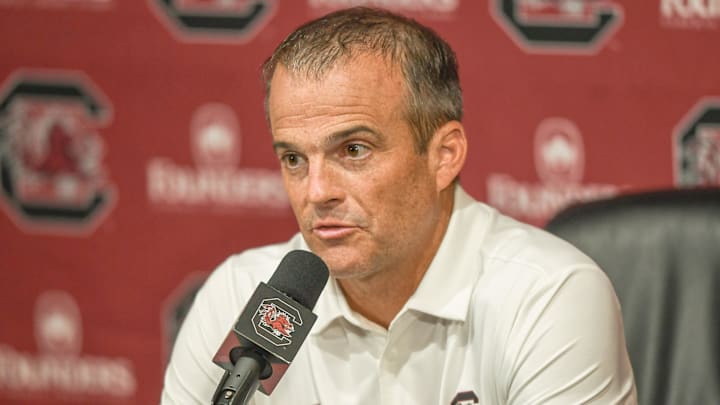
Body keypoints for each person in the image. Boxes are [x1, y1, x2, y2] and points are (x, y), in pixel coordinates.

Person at [161, 7, 637, 405]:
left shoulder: (546, 297)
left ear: (443, 155)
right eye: (293, 159)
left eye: (353, 150)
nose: (316, 191)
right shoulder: (240, 294)